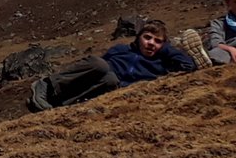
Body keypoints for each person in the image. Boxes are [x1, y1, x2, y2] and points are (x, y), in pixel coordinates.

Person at [27, 19, 196, 111]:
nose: (151, 43)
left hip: (106, 90)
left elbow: (188, 66)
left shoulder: (160, 64)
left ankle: (60, 107)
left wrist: (166, 49)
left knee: (110, 80)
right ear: (138, 38)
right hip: (82, 82)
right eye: (147, 38)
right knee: (100, 65)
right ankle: (46, 85)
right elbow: (93, 66)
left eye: (157, 41)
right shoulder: (121, 49)